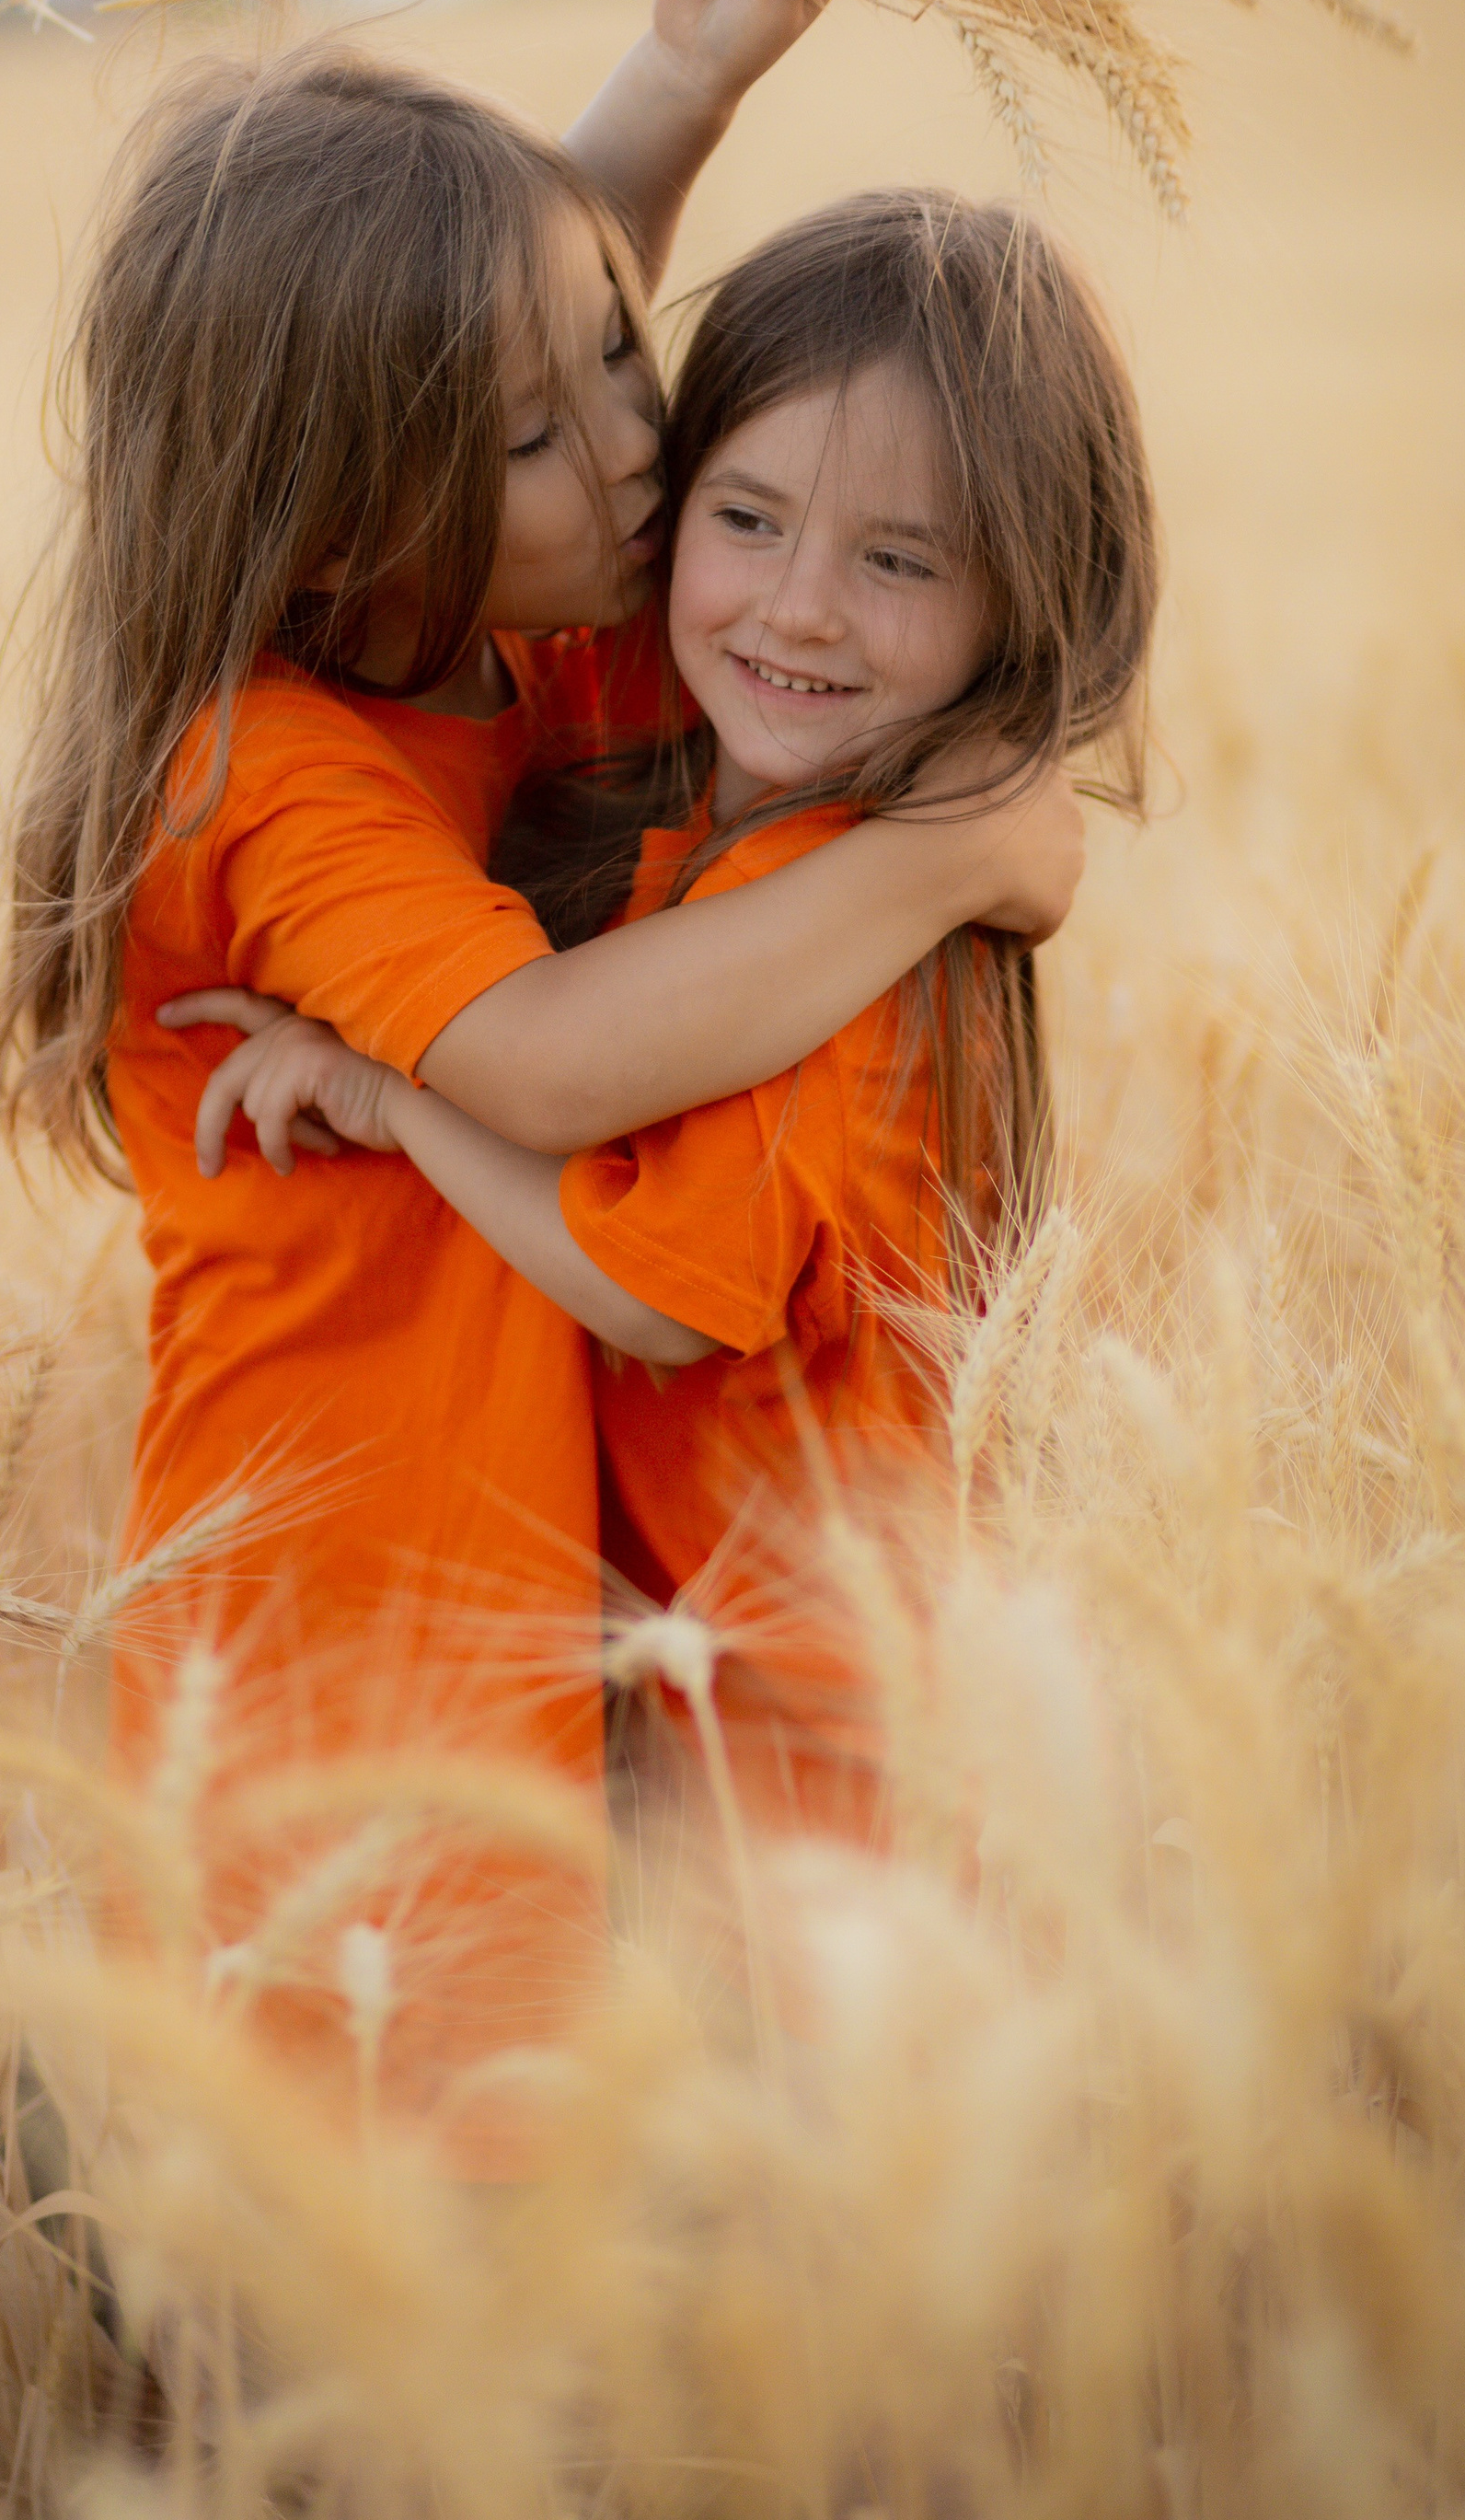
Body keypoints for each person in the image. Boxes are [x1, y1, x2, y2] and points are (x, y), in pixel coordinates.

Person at [0, 0, 1089, 2152]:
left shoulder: (518, 628)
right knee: (341, 2197)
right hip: (339, 1596)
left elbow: (511, 307)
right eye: (531, 438)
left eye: (622, 362)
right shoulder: (261, 775)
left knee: (541, 2189)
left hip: (546, 1572)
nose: (629, 455)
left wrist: (685, 78)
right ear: (322, 520)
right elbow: (560, 1068)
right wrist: (956, 852)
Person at [199, 190, 1156, 1866]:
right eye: (750, 516)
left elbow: (654, 1294)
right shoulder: (746, 820)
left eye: (898, 559)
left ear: (1029, 598)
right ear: (667, 518)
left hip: (815, 1744)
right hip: (709, 1693)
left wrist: (386, 1087)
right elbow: (429, 384)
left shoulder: (849, 939)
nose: (798, 608)